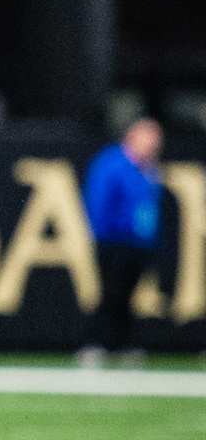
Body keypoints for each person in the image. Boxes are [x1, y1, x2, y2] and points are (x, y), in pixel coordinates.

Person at [80, 117, 164, 365]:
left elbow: (149, 206)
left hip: (139, 243)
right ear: (133, 136)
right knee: (112, 293)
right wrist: (105, 234)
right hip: (114, 242)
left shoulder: (148, 168)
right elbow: (98, 202)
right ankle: (97, 342)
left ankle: (122, 343)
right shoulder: (112, 162)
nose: (154, 143)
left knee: (127, 295)